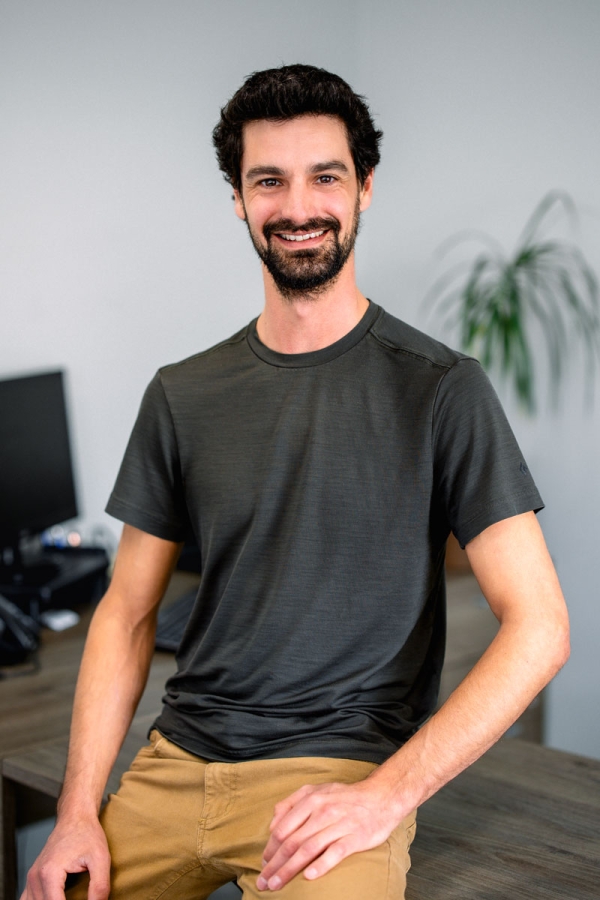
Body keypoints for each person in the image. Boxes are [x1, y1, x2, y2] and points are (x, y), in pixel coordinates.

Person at [23, 64, 569, 900]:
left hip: (338, 779)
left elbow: (540, 627)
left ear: (364, 189)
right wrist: (75, 811)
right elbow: (126, 613)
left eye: (326, 176)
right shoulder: (184, 393)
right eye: (268, 180)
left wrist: (386, 796)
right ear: (239, 198)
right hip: (176, 762)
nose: (299, 206)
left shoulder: (440, 388)